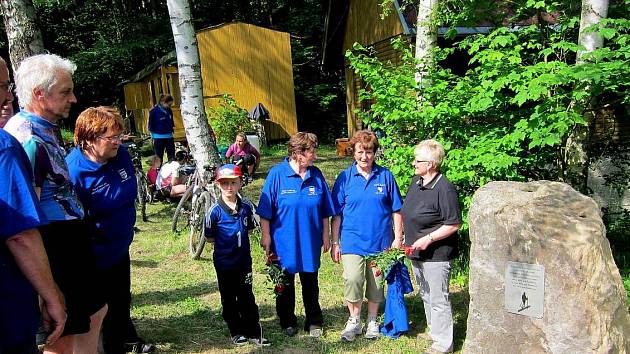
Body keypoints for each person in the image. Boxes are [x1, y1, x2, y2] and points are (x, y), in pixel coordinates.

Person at [4, 53, 108, 354]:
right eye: (65, 91)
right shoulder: (26, 138)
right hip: (54, 244)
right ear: (39, 94)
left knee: (94, 313)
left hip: (70, 239)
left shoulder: (44, 129)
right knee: (60, 335)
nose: (73, 99)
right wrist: (42, 285)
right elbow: (25, 214)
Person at [66, 106, 155, 354]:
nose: (118, 142)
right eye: (111, 137)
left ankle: (124, 339)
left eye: (119, 135)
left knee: (121, 299)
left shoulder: (120, 155)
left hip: (119, 246)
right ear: (88, 140)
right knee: (99, 308)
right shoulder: (74, 171)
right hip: (93, 254)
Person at [0, 57, 66, 354]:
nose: (8, 95)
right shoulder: (7, 146)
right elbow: (21, 234)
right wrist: (50, 295)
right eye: (3, 86)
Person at [257, 132, 335, 338]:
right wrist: (266, 236)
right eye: (312, 151)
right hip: (283, 242)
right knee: (284, 284)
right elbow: (265, 211)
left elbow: (326, 209)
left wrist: (326, 236)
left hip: (309, 241)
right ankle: (287, 320)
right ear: (298, 153)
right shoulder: (277, 174)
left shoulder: (316, 175)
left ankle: (314, 321)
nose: (315, 156)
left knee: (311, 282)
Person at [330, 130, 403, 341]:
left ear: (374, 153)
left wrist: (397, 238)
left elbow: (396, 210)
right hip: (352, 240)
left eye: (369, 152)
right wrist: (335, 242)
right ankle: (354, 320)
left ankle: (372, 320)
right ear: (353, 152)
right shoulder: (345, 178)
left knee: (376, 283)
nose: (364, 157)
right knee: (352, 279)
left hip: (381, 242)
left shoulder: (386, 176)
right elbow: (336, 214)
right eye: (360, 152)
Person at [401, 139, 461, 354]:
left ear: (431, 164)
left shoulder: (444, 188)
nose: (413, 164)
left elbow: (453, 223)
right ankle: (436, 331)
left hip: (436, 254)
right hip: (416, 251)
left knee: (438, 298)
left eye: (418, 160)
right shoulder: (417, 183)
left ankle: (443, 344)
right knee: (426, 294)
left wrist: (429, 239)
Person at [204, 164, 270, 347]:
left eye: (233, 183)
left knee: (247, 296)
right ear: (218, 185)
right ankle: (236, 330)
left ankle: (254, 331)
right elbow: (210, 238)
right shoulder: (214, 212)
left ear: (241, 183)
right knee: (229, 296)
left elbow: (249, 228)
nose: (229, 187)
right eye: (225, 183)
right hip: (225, 263)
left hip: (243, 262)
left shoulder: (247, 206)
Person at [148, 94, 175, 164]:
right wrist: (152, 136)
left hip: (169, 137)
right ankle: (158, 172)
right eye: (169, 105)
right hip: (158, 138)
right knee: (159, 158)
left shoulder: (169, 110)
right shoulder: (154, 112)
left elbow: (171, 122)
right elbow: (150, 125)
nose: (170, 107)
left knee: (172, 157)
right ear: (163, 102)